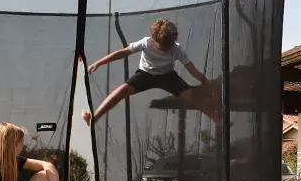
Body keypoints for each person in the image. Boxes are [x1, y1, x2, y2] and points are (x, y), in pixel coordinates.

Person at [83, 18, 216, 126]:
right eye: (163, 46)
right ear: (155, 40)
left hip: (167, 76)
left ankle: (220, 121)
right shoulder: (146, 42)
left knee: (193, 98)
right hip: (145, 75)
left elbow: (193, 70)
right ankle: (93, 120)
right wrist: (98, 63)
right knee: (119, 92)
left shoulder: (176, 49)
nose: (166, 49)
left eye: (168, 46)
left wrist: (209, 85)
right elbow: (121, 53)